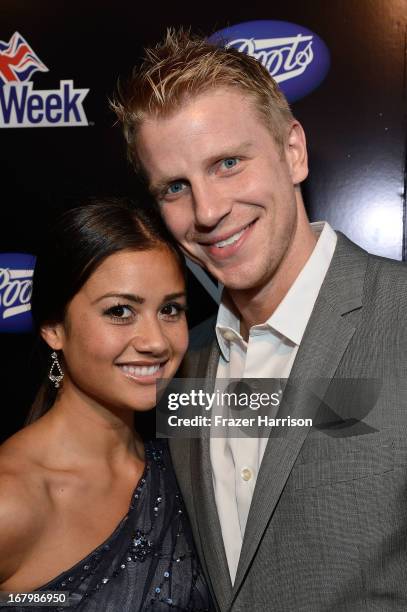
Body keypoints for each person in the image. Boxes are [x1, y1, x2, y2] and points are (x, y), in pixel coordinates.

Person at [112, 30, 407, 611]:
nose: (208, 211)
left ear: (293, 151)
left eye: (228, 163)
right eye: (175, 187)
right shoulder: (180, 366)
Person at [0, 198, 213, 611]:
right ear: (53, 328)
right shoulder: (11, 499)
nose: (155, 342)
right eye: (120, 311)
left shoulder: (183, 463)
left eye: (170, 309)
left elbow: (343, 413)